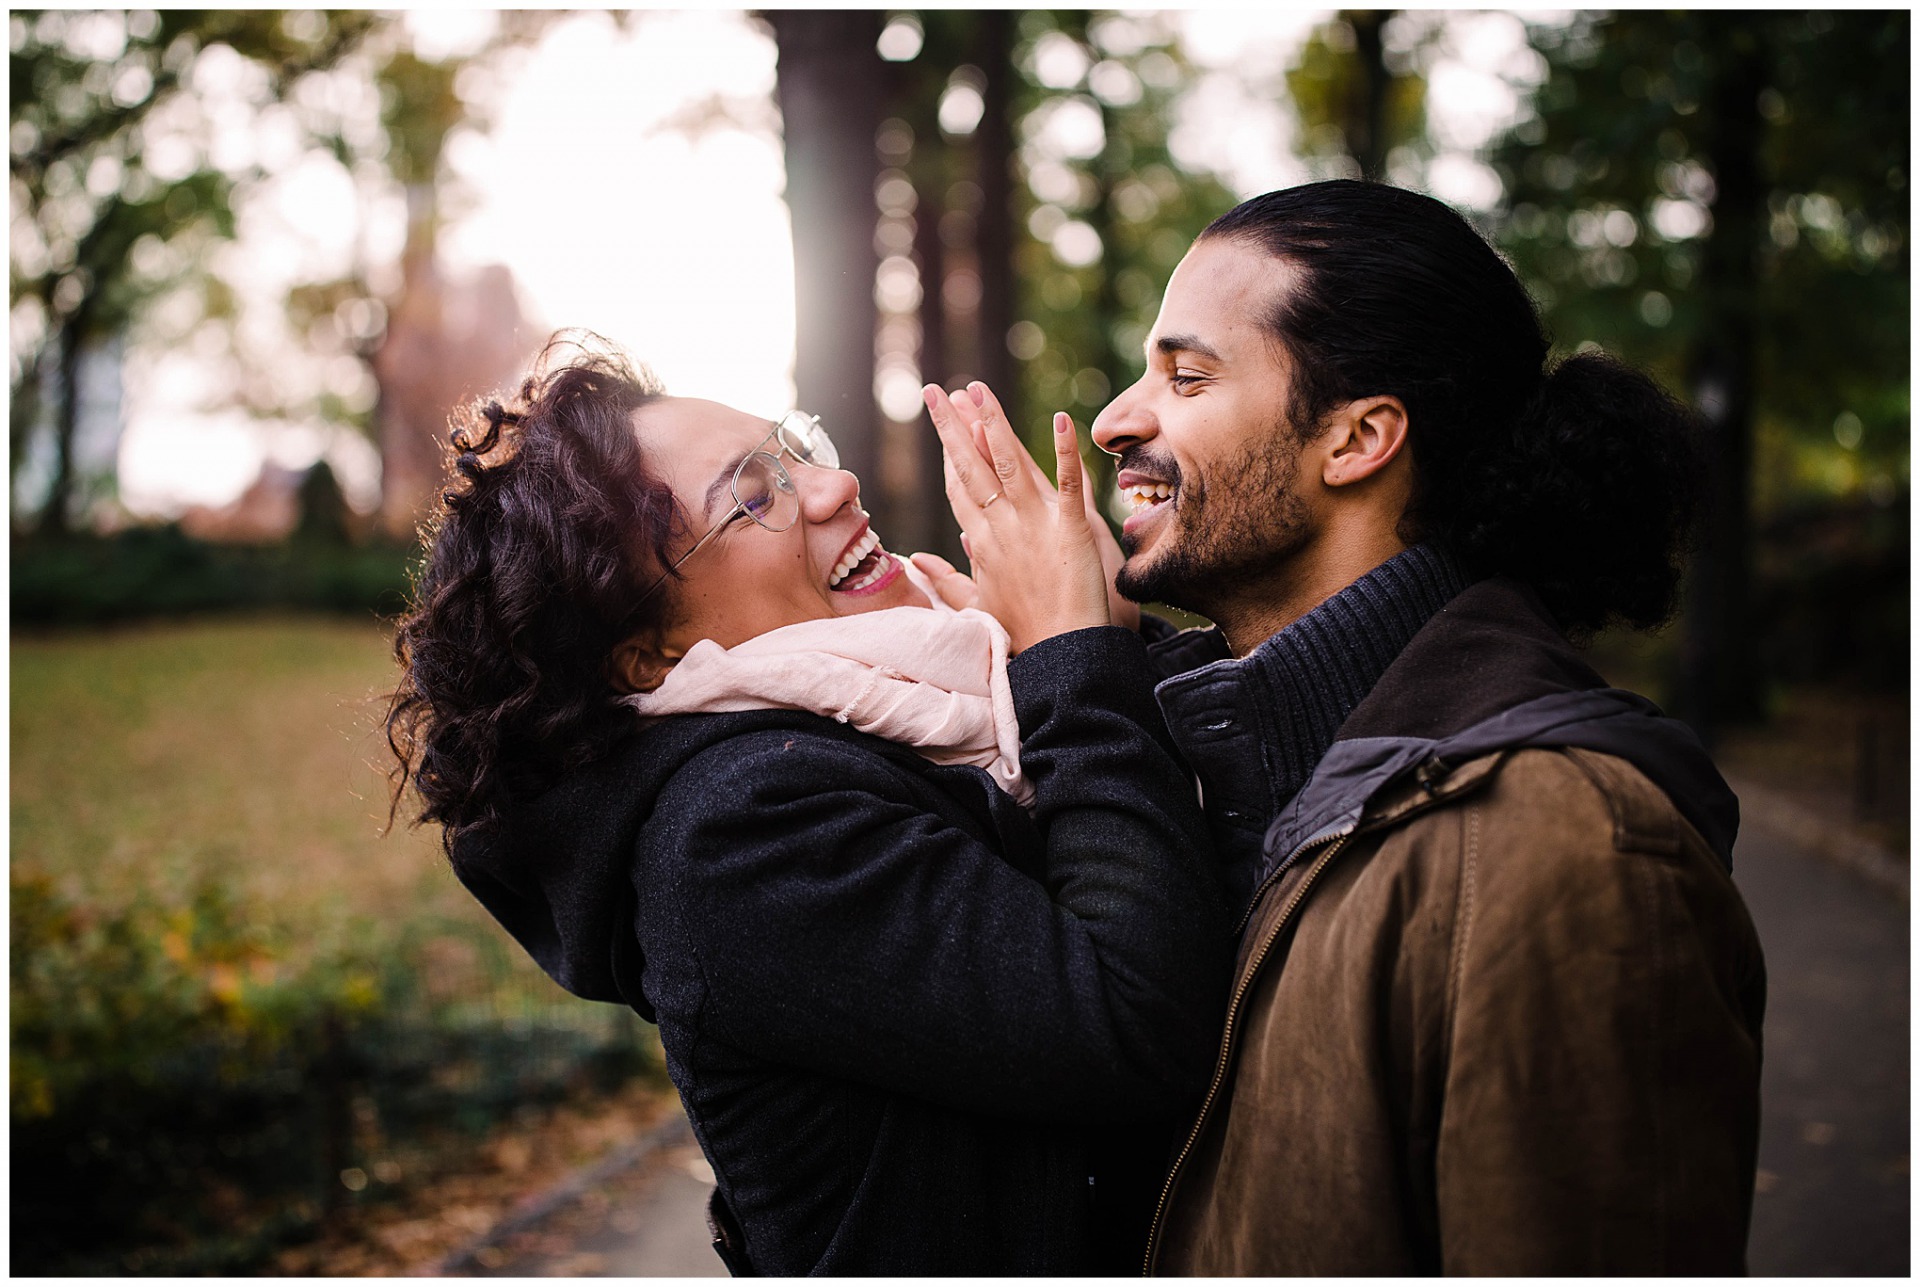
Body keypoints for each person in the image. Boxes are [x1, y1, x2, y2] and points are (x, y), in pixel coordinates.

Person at [934, 180, 1766, 1275]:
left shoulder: (1570, 840)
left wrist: (1081, 668)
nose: (1116, 422)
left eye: (1186, 377)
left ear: (1359, 439)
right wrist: (1087, 670)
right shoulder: (1207, 765)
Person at [383, 333, 1228, 1276]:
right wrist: (1070, 657)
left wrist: (1100, 639)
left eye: (791, 450)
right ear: (647, 655)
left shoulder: (916, 706)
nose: (832, 488)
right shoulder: (734, 836)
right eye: (752, 495)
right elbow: (1138, 1022)